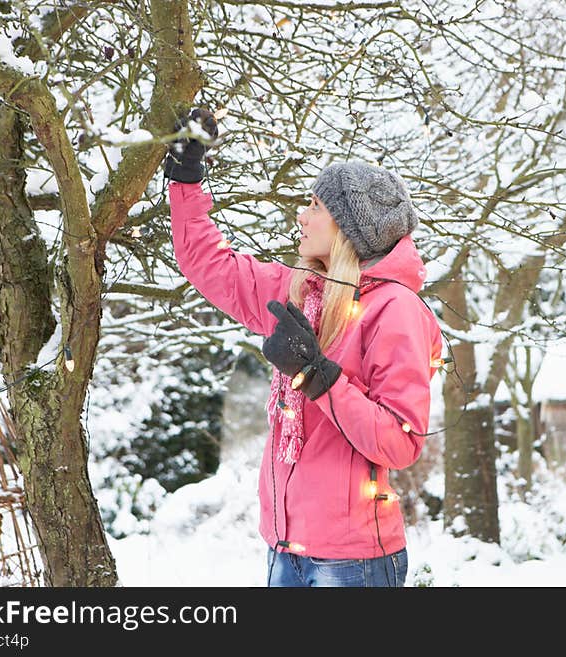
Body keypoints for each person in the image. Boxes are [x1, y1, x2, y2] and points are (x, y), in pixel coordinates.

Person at [165, 109, 443, 587]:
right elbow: (207, 264)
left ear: (347, 228)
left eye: (315, 205)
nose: (301, 214)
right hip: (283, 550)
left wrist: (319, 376)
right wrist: (187, 180)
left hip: (353, 563)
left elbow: (400, 442)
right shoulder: (298, 291)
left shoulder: (393, 309)